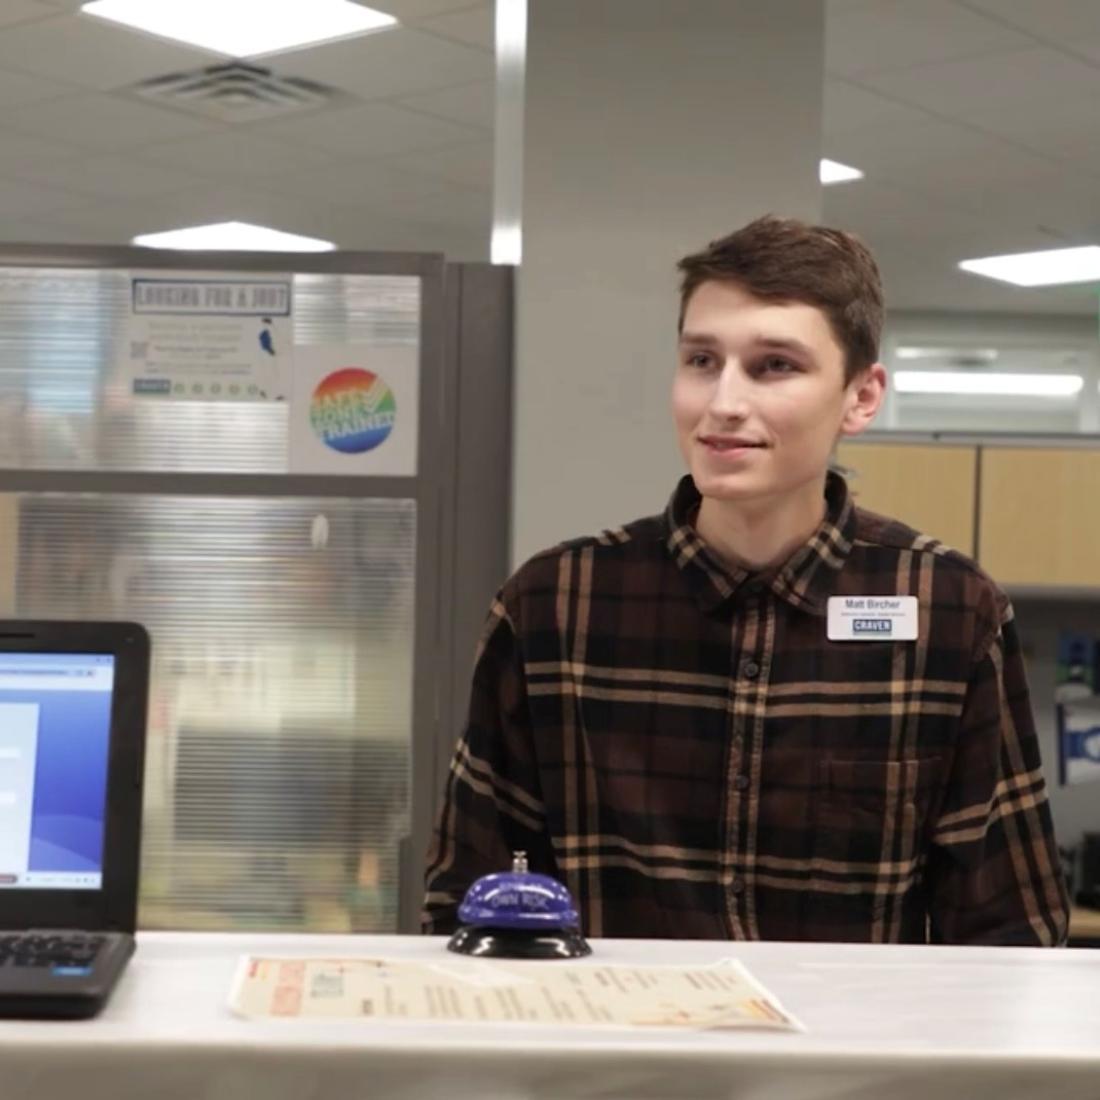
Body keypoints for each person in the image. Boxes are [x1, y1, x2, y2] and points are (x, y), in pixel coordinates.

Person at [423, 215, 1069, 945]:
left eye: (774, 366)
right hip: (616, 1053)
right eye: (702, 360)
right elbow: (467, 907)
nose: (723, 403)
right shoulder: (553, 606)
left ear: (861, 396)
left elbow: (1007, 937)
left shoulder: (949, 610)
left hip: (851, 1056)